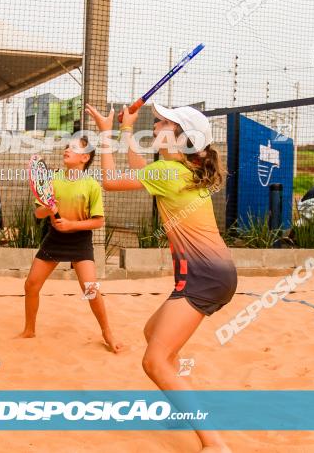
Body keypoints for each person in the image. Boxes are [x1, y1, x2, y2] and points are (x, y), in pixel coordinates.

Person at [85, 102, 236, 453]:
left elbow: (109, 181)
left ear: (181, 137)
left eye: (162, 123)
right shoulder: (175, 170)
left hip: (205, 276)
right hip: (207, 274)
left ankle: (215, 444)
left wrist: (107, 135)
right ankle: (184, 401)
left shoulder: (170, 172)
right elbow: (142, 172)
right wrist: (126, 130)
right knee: (153, 335)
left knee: (153, 360)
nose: (154, 127)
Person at [19, 137, 123, 354]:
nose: (67, 149)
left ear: (84, 158)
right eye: (67, 146)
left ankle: (107, 333)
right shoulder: (52, 179)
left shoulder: (91, 185)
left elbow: (98, 221)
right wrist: (48, 209)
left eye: (74, 148)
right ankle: (29, 330)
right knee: (31, 285)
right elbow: (38, 213)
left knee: (90, 289)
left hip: (80, 240)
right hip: (54, 238)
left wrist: (72, 224)